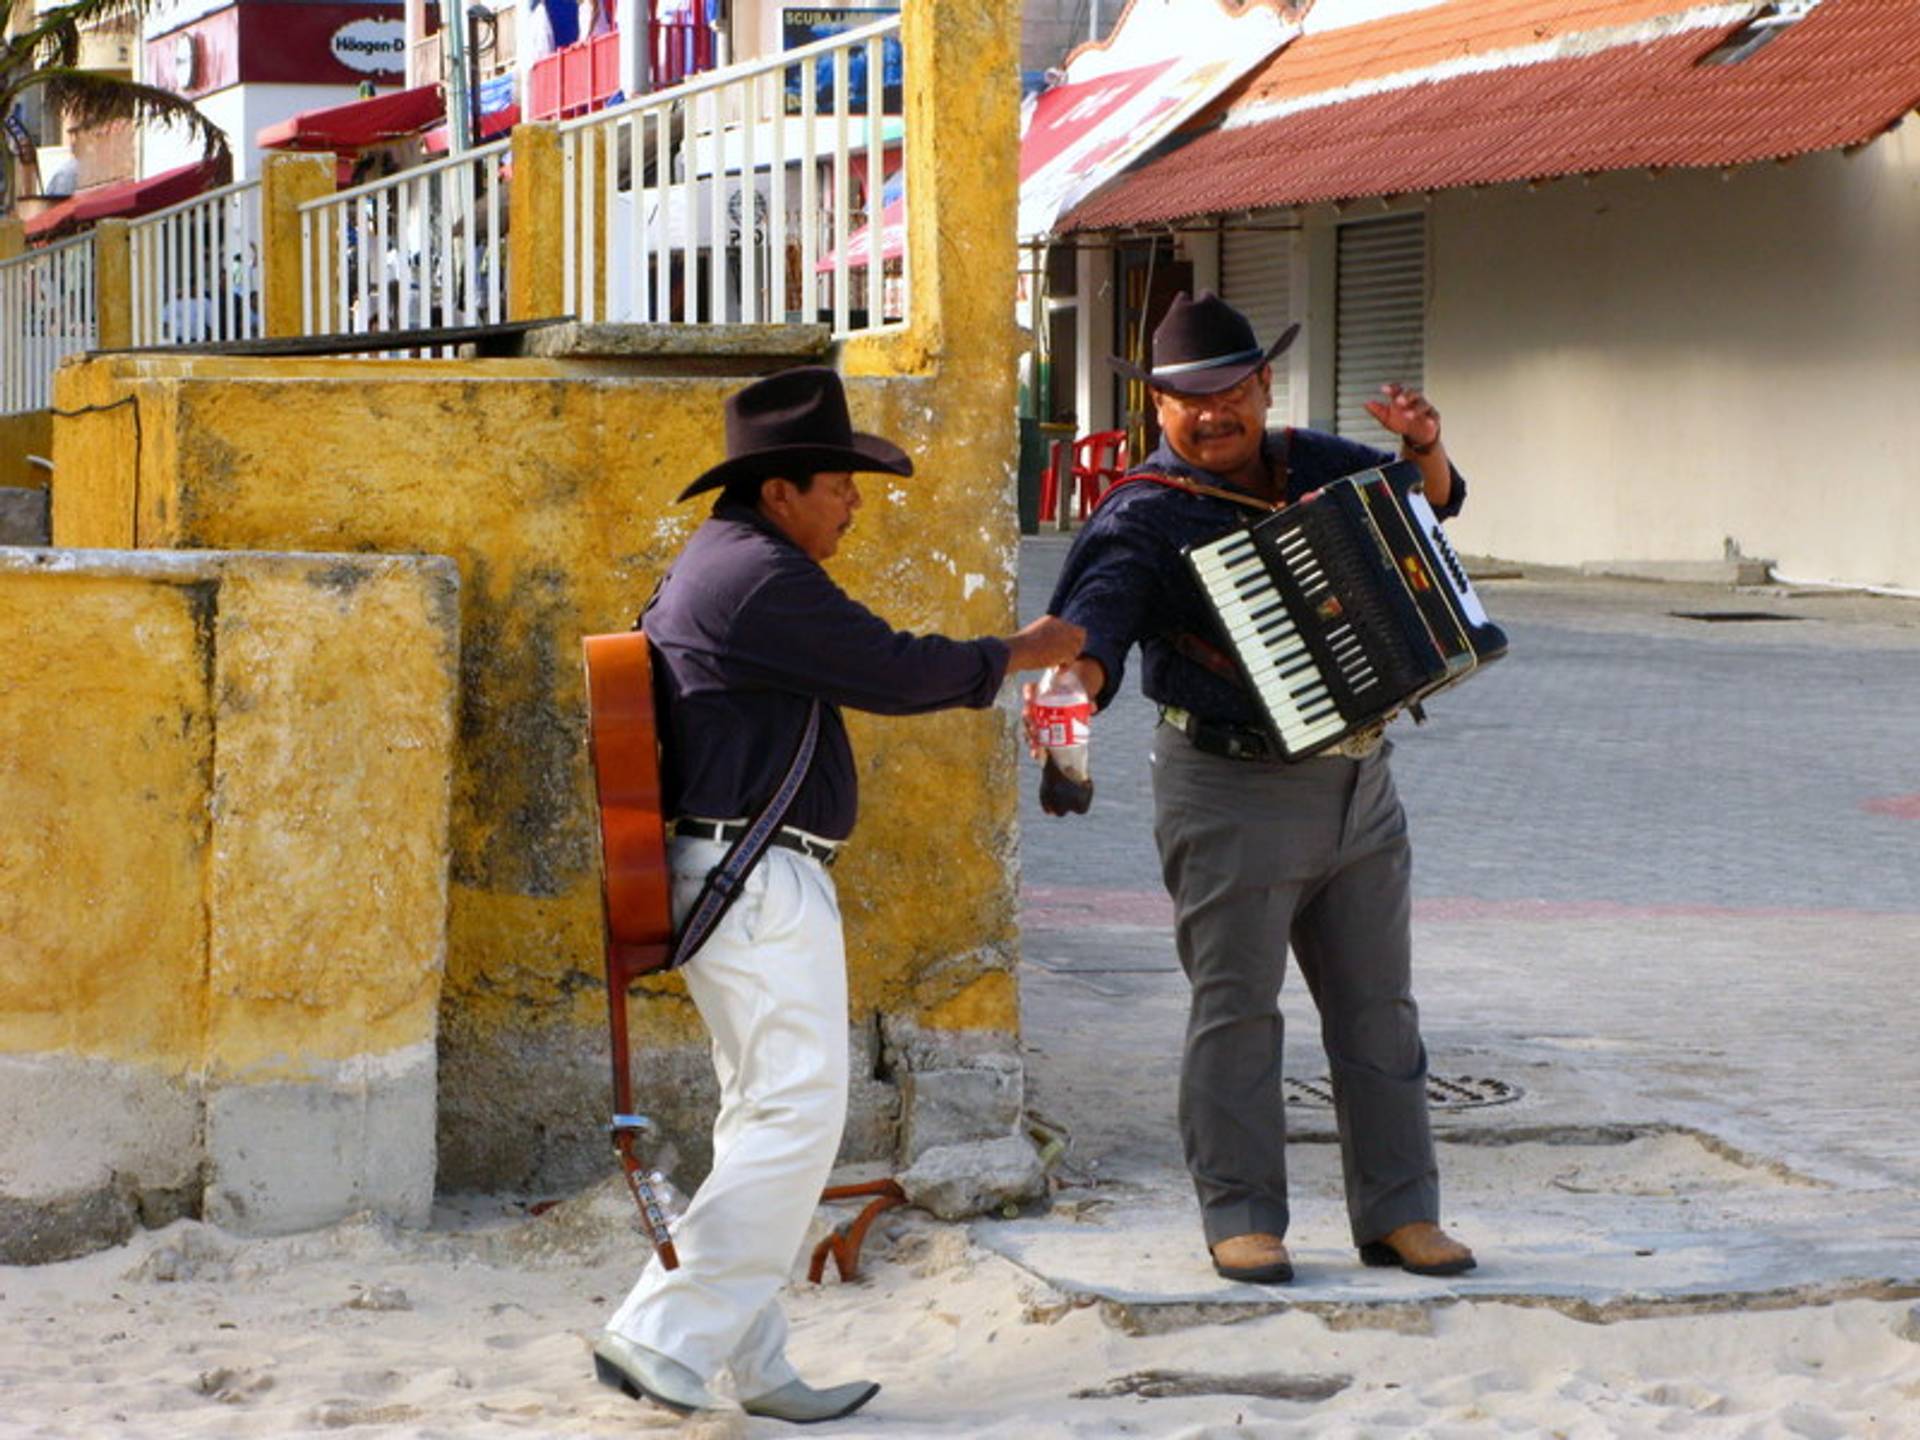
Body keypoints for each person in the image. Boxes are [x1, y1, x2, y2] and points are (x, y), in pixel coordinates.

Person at [593, 366, 1085, 1422]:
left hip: (742, 874)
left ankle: (752, 1364)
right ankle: (660, 1336)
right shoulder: (758, 577)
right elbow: (899, 671)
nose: (855, 502)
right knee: (796, 1118)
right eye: (841, 484)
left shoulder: (736, 563)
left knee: (763, 1117)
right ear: (781, 491)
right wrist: (1023, 652)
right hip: (755, 882)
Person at [1038, 291, 1477, 1285]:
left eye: (1228, 392)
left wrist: (1427, 447)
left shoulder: (1320, 462)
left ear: (1263, 387)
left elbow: (1431, 505)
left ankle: (1402, 1215)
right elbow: (1096, 624)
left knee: (1380, 1011)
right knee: (1237, 1011)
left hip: (1361, 780)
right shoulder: (1144, 514)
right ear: (1158, 408)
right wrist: (1074, 695)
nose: (1210, 415)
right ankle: (1241, 1215)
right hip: (1226, 786)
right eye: (1186, 400)